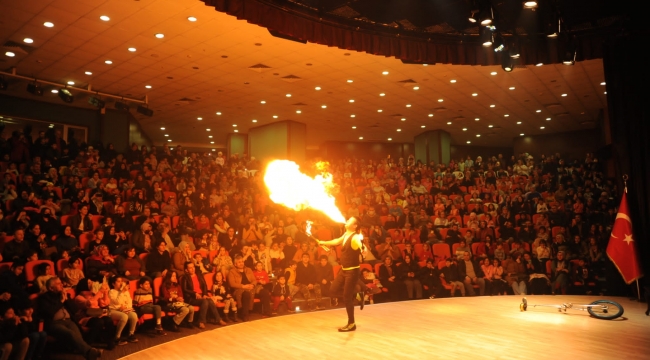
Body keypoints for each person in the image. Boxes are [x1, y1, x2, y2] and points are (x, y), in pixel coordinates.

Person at [315, 217, 367, 332]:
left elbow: (362, 246)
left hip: (352, 272)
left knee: (347, 297)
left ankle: (351, 323)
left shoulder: (355, 238)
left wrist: (364, 251)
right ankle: (358, 295)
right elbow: (336, 241)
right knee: (332, 291)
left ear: (354, 226)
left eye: (350, 220)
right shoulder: (346, 235)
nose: (347, 221)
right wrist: (323, 242)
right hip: (343, 270)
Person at [36, 277, 102, 360]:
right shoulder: (44, 298)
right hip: (55, 323)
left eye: (61, 283)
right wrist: (61, 302)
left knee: (78, 336)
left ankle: (89, 354)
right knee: (70, 334)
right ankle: (90, 352)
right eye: (58, 284)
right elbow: (49, 313)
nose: (61, 285)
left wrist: (66, 299)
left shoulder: (64, 295)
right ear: (51, 288)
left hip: (69, 321)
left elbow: (75, 310)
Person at [180, 262, 226, 328]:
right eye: (190, 268)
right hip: (192, 298)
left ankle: (218, 319)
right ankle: (201, 321)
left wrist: (204, 294)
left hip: (201, 295)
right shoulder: (185, 277)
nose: (193, 269)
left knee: (210, 300)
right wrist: (194, 293)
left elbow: (204, 285)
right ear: (186, 270)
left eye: (193, 267)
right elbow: (184, 289)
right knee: (205, 301)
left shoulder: (199, 275)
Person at [228, 255, 272, 321]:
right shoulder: (232, 272)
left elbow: (254, 280)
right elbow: (232, 284)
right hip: (240, 289)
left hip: (251, 287)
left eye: (242, 261)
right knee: (246, 294)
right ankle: (245, 315)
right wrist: (243, 286)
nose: (241, 263)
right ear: (235, 264)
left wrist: (253, 285)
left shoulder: (248, 269)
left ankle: (267, 312)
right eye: (239, 262)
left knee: (264, 292)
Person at [107, 275, 139, 344]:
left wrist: (126, 307)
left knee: (134, 315)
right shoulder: (111, 291)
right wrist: (122, 292)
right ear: (113, 284)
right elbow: (117, 302)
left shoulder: (125, 291)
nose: (121, 283)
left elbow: (129, 301)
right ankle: (117, 337)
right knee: (124, 316)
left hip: (124, 310)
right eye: (118, 281)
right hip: (113, 311)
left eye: (121, 281)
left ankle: (131, 334)